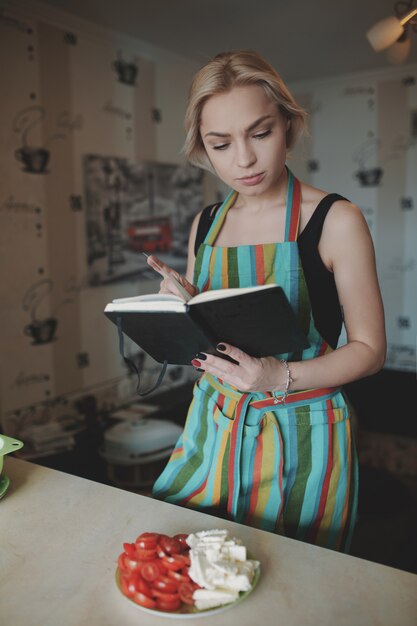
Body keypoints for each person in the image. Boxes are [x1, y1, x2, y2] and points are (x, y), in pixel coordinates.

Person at [147, 50, 386, 552]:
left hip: (302, 435)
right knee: (187, 560)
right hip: (213, 423)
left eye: (260, 133)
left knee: (289, 584)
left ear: (288, 126)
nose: (244, 160)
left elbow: (369, 350)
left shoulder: (335, 220)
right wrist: (185, 306)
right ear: (203, 149)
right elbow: (212, 335)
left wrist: (279, 377)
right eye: (221, 143)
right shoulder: (206, 223)